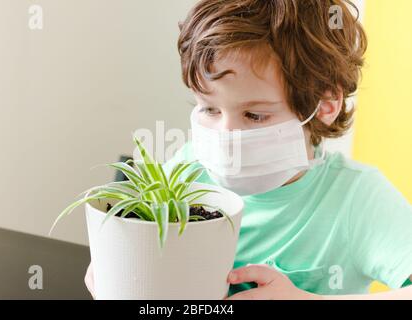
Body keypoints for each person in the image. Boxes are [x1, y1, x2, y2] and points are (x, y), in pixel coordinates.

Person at [85, 0, 412, 299]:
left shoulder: (356, 198)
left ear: (325, 104)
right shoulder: (190, 167)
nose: (226, 136)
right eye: (210, 110)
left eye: (255, 115)